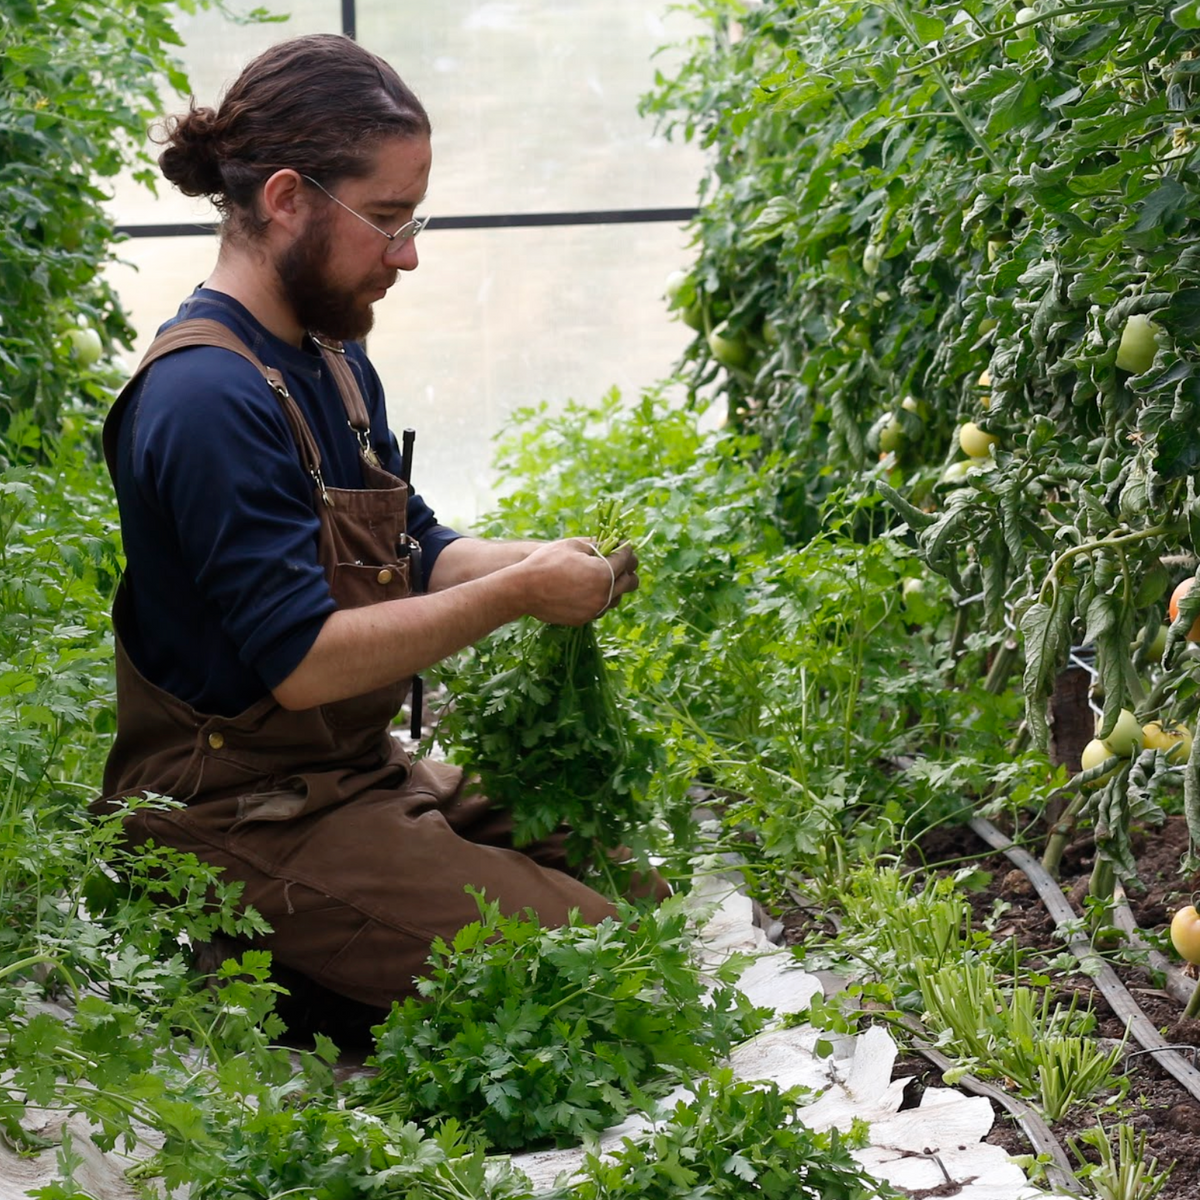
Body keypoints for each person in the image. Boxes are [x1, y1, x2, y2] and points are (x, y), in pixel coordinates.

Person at [94, 33, 645, 1032]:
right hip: (238, 812)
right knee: (593, 965)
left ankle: (339, 963)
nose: (410, 252)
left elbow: (417, 549)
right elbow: (301, 664)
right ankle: (241, 955)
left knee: (619, 863)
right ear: (288, 199)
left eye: (413, 217)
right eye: (387, 219)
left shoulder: (332, 355)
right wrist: (517, 597)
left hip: (353, 774)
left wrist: (545, 559)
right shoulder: (207, 398)